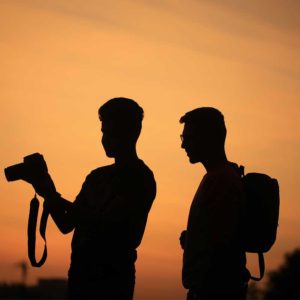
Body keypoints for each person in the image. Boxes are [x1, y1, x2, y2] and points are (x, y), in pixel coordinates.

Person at [29, 98, 156, 299]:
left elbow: (109, 226)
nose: (105, 139)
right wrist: (47, 191)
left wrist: (52, 194)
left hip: (112, 282)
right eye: (103, 132)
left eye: (111, 133)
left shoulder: (139, 177)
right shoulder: (96, 176)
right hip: (80, 278)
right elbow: (66, 223)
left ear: (132, 133)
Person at [179, 107, 249, 299]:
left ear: (206, 138)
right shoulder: (221, 177)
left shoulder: (220, 180)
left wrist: (197, 241)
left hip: (215, 291)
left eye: (188, 138)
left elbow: (220, 240)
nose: (183, 145)